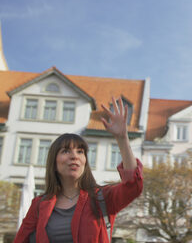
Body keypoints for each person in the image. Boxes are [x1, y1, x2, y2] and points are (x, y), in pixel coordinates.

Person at [14, 97, 143, 243]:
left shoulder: (102, 198)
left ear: (85, 161)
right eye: (66, 151)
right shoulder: (39, 204)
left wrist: (122, 138)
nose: (74, 156)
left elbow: (133, 185)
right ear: (54, 161)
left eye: (80, 151)